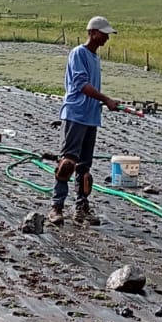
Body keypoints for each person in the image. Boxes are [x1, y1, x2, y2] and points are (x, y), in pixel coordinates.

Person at [48, 16, 120, 226]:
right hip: (76, 113)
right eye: (103, 33)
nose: (106, 37)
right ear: (92, 33)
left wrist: (105, 102)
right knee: (67, 163)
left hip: (90, 116)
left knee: (84, 168)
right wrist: (105, 99)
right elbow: (81, 84)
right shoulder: (79, 53)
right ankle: (56, 207)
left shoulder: (95, 58)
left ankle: (81, 208)